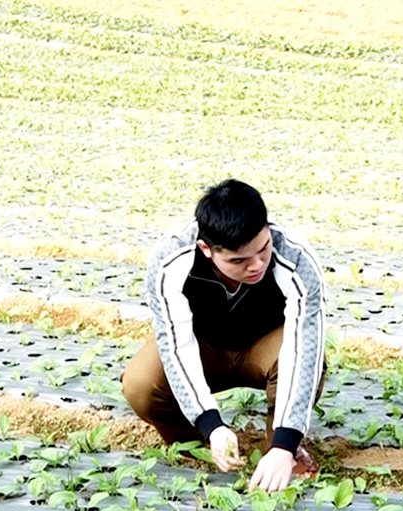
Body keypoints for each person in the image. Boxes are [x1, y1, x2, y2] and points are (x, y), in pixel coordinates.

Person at [122, 179, 326, 492]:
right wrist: (211, 425)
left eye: (263, 249)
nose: (257, 265)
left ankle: (281, 453)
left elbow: (304, 350)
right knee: (140, 382)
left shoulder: (297, 260)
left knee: (300, 361)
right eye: (239, 261)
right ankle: (199, 447)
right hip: (205, 346)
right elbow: (177, 347)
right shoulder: (170, 259)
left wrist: (284, 445)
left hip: (264, 345)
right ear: (207, 250)